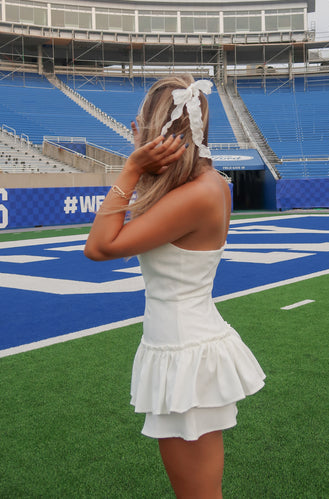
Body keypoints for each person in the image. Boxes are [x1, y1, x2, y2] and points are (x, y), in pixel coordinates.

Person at [84, 74, 265, 498]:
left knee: (198, 495)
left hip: (186, 352)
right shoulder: (208, 184)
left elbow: (99, 246)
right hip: (180, 344)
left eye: (138, 125)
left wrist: (131, 168)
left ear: (157, 131)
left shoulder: (199, 194)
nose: (132, 131)